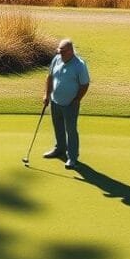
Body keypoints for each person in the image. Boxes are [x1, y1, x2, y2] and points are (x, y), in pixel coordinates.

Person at [43, 38, 90, 169]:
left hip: (70, 104)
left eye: (62, 51)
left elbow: (85, 84)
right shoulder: (57, 59)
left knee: (71, 130)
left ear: (70, 51)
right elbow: (50, 77)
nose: (60, 53)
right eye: (59, 51)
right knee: (58, 127)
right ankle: (59, 149)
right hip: (55, 102)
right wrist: (47, 95)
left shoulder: (79, 65)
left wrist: (77, 100)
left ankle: (72, 157)